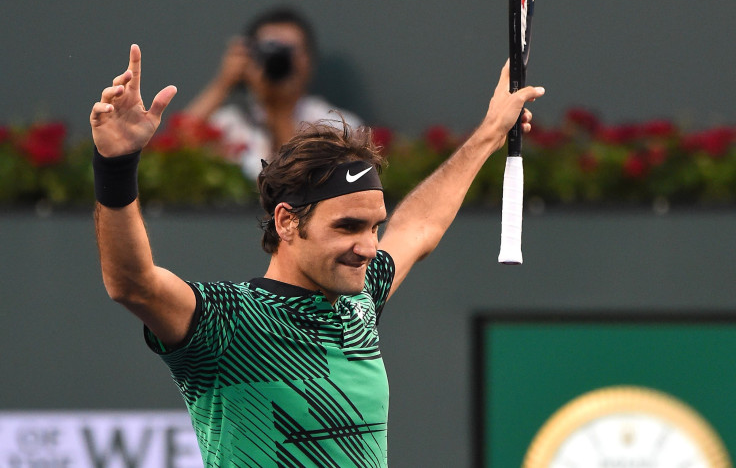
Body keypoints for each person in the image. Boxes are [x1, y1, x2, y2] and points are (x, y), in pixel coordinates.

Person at [90, 44, 544, 467]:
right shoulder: (225, 321)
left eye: (373, 226)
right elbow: (131, 284)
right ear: (287, 221)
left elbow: (419, 227)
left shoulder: (362, 298)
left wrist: (489, 133)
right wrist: (116, 164)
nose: (368, 247)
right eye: (346, 226)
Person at [185, 6, 362, 179]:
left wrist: (279, 112)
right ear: (250, 58)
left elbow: (306, 184)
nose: (278, 60)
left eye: (287, 52)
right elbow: (175, 154)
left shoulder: (335, 125)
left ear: (308, 61)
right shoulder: (230, 122)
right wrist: (223, 83)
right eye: (268, 51)